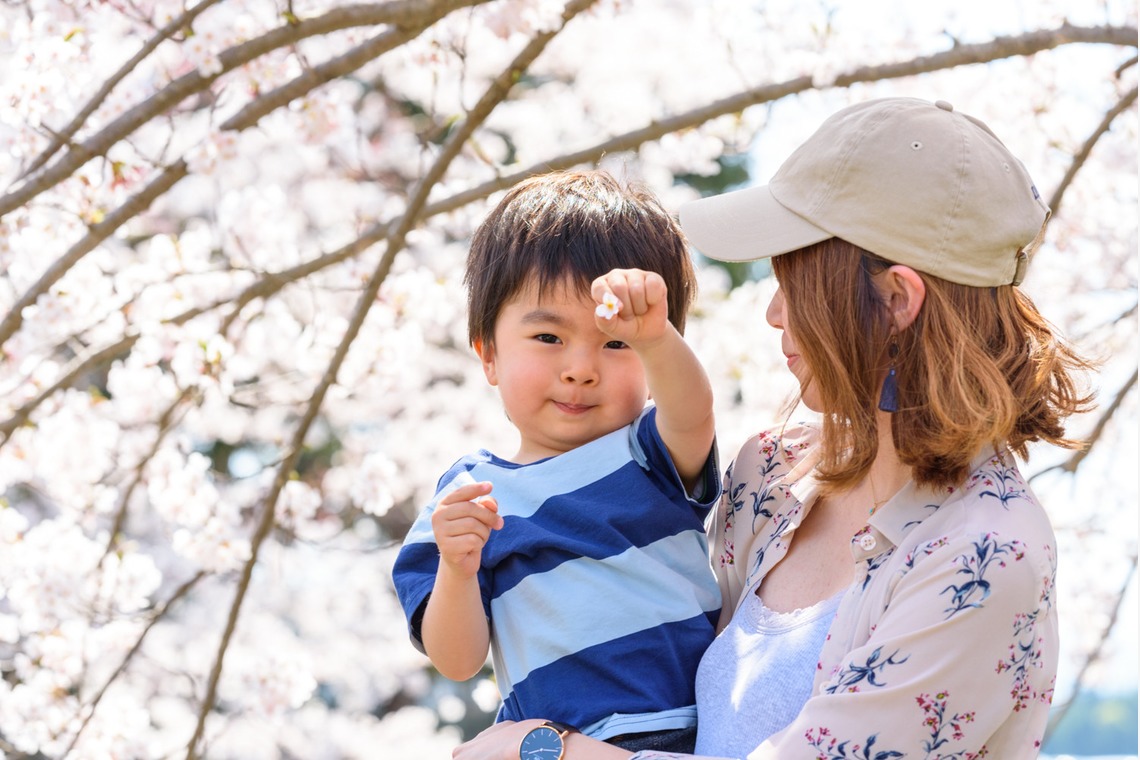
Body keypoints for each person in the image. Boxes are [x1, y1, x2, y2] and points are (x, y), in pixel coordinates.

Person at [454, 97, 1094, 760]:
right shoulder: (771, 476)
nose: (772, 312)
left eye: (797, 284)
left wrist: (545, 751)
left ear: (897, 300)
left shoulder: (988, 556)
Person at [391, 170, 723, 754]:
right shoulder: (473, 495)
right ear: (489, 354)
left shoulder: (649, 452)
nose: (580, 368)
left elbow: (694, 411)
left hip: (698, 728)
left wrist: (656, 337)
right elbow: (459, 659)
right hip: (563, 738)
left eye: (616, 344)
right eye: (548, 337)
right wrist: (458, 567)